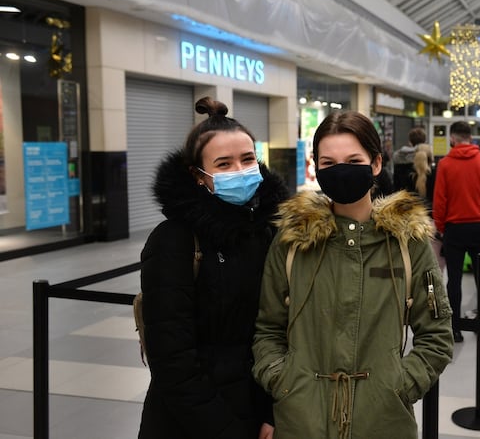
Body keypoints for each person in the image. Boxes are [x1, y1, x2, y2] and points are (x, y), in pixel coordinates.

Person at [251, 110, 454, 439]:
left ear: (375, 164)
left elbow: (437, 335)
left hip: (383, 422)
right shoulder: (292, 241)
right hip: (302, 420)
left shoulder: (407, 242)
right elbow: (268, 329)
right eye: (328, 163)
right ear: (316, 166)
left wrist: (398, 386)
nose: (340, 171)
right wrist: (284, 382)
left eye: (352, 159)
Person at [138, 97, 288, 439]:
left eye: (248, 159)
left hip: (257, 411)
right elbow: (172, 361)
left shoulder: (268, 232)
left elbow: (280, 332)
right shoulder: (173, 241)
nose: (240, 170)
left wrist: (271, 411)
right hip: (189, 421)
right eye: (224, 164)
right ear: (198, 176)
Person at [433, 120, 480, 342]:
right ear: (471, 138)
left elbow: (440, 200)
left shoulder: (445, 165)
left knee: (454, 280)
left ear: (453, 139)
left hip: (454, 229)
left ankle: (455, 328)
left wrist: (442, 227)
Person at [406, 143, 446, 271]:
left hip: (413, 221)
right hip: (432, 221)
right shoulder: (435, 174)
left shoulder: (408, 175)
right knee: (436, 263)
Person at [393, 127, 426, 192]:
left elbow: (396, 185)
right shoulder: (426, 159)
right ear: (424, 142)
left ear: (410, 142)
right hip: (423, 199)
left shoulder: (399, 158)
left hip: (404, 198)